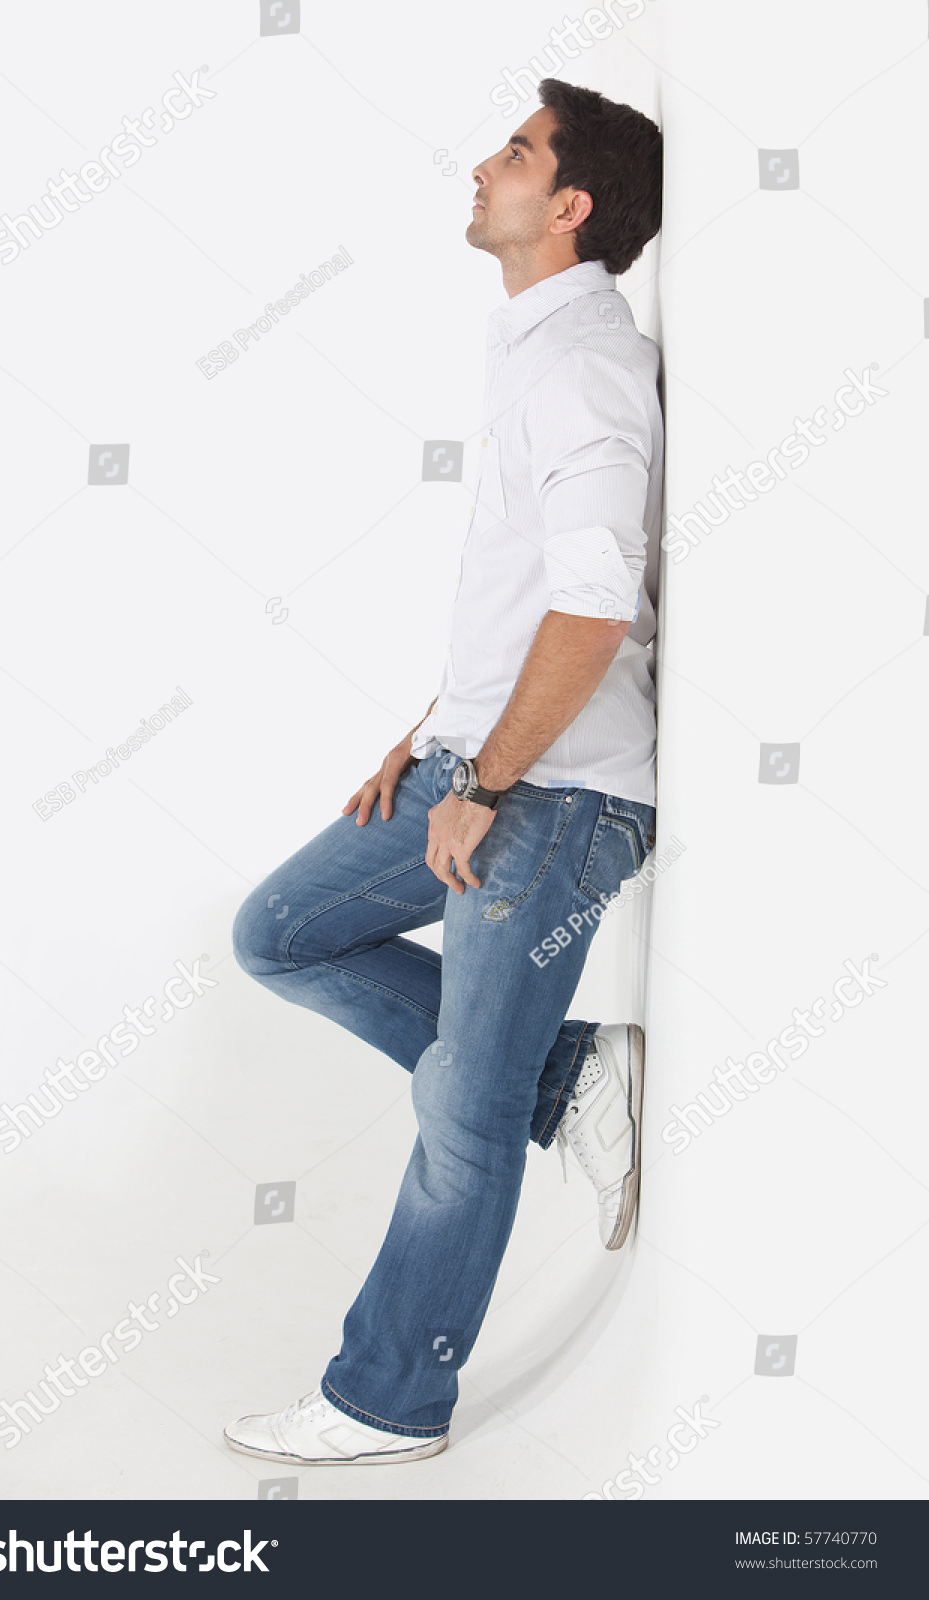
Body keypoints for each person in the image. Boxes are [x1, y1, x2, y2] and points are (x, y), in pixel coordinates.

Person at [225, 77, 663, 1468]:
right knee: (281, 933)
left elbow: (595, 609)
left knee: (459, 1115)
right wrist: (432, 732)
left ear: (572, 205)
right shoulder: (537, 344)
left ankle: (386, 1402)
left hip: (558, 796)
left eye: (519, 152)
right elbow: (527, 589)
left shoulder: (589, 362)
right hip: (483, 757)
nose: (487, 164)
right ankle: (570, 1076)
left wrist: (488, 780)